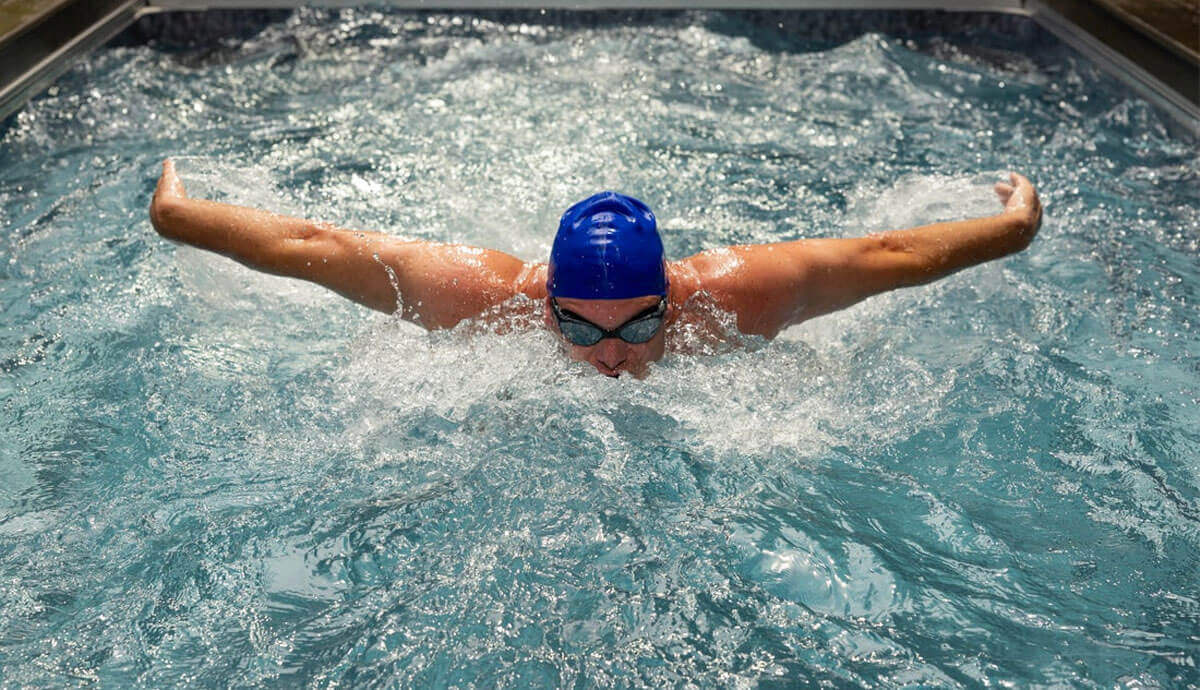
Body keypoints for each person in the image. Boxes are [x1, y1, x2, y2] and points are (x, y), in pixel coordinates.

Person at [149, 159, 1042, 378]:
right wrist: (177, 215)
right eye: (576, 327)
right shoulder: (478, 295)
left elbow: (887, 257)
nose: (611, 357)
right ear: (542, 296)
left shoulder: (735, 295)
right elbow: (317, 249)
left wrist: (1013, 231)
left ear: (673, 296)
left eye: (639, 325)